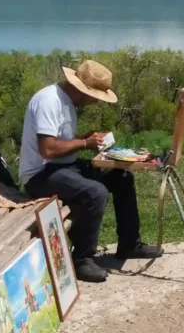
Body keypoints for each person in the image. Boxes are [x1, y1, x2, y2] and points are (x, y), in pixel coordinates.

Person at [19, 60, 162, 283]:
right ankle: (82, 260)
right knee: (95, 192)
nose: (95, 102)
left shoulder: (67, 101)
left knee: (122, 177)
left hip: (62, 166)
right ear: (82, 90)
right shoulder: (49, 101)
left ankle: (130, 244)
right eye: (95, 97)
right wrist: (85, 143)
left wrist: (83, 139)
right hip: (40, 175)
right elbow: (48, 150)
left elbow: (59, 142)